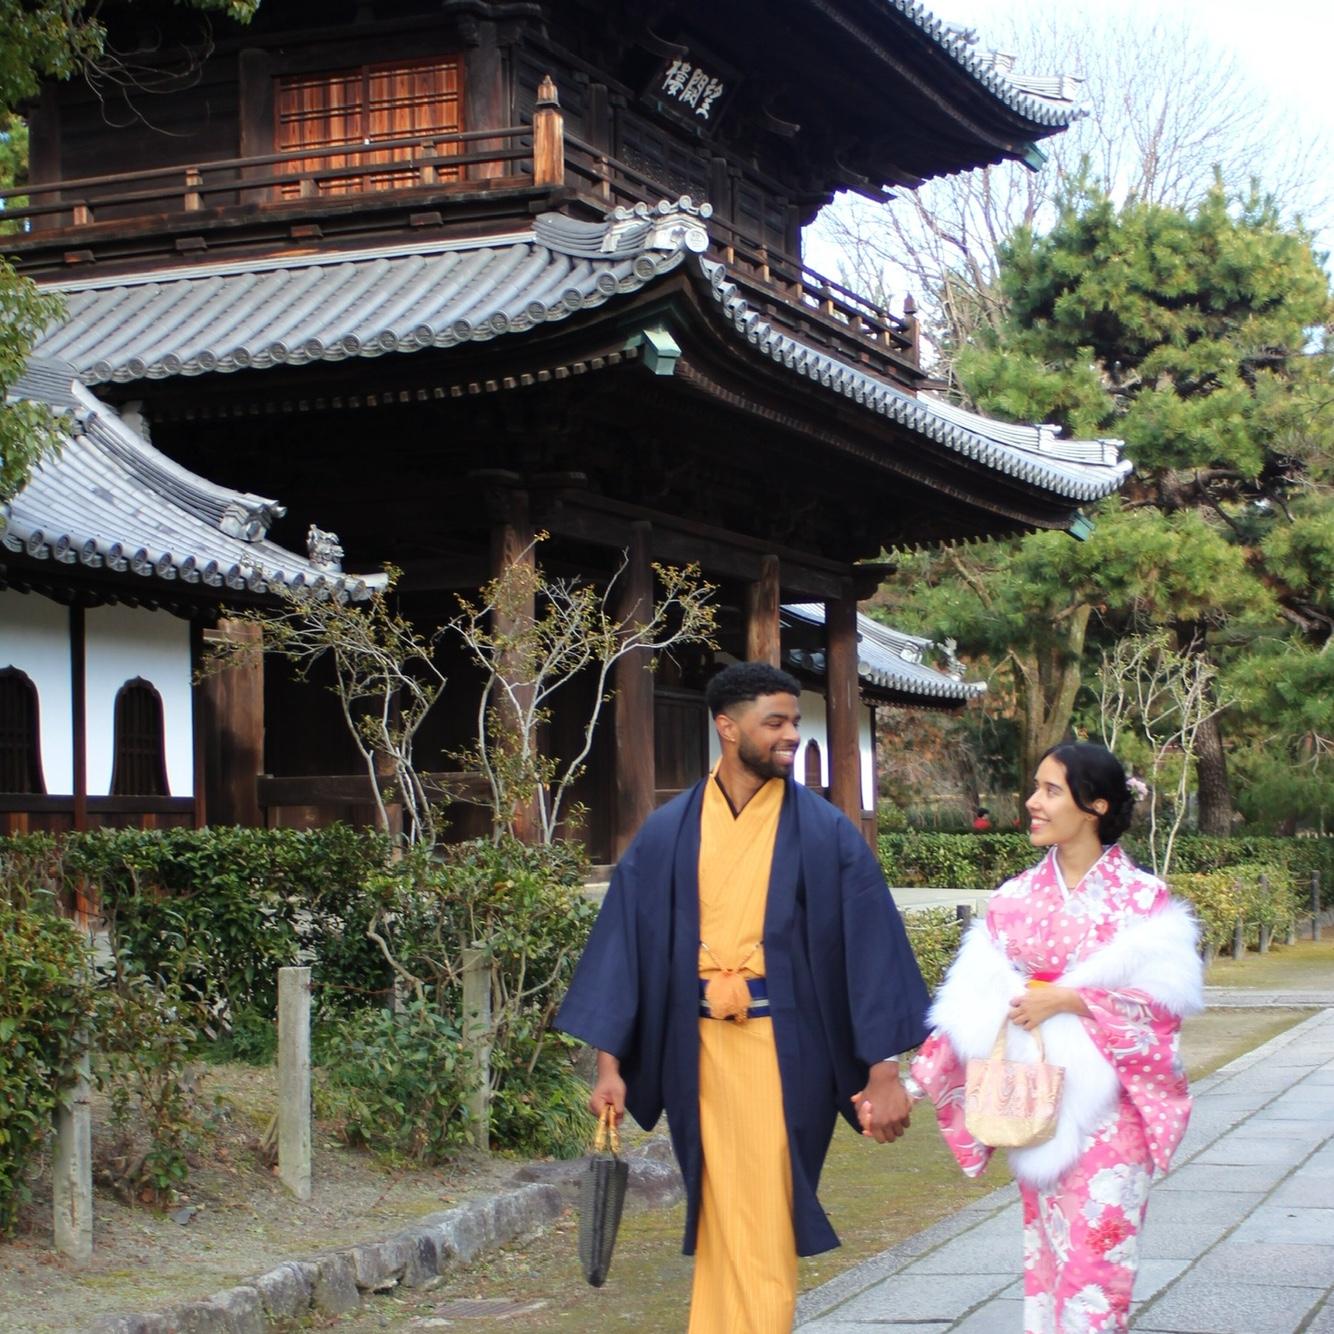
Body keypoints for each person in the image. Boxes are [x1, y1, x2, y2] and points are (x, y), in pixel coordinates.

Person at [556, 661, 930, 1333]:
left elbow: (870, 946)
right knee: (722, 1210)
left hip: (785, 1051)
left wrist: (883, 1068)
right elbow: (626, 949)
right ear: (727, 728)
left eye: (794, 721)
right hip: (693, 1049)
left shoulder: (823, 832)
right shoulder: (669, 833)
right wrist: (610, 1067)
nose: (791, 735)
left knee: (764, 1208)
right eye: (776, 722)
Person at [904, 743, 1203, 1334]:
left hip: (1111, 1115)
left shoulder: (1144, 900)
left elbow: (1161, 1012)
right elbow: (970, 1005)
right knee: (1045, 1262)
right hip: (1037, 1102)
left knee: (1097, 1270)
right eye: (1036, 788)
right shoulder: (1015, 899)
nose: (1032, 802)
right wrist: (909, 1084)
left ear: (1094, 806)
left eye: (1050, 791)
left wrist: (1070, 999)